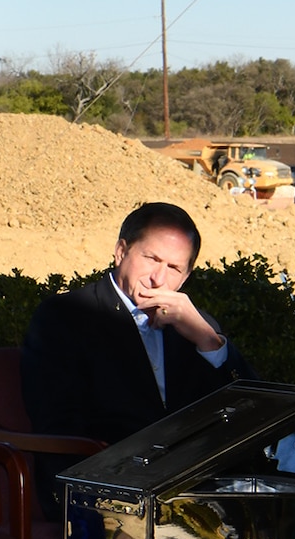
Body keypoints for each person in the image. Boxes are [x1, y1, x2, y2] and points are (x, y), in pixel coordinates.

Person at [19, 201, 246, 509]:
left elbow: (251, 413)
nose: (158, 278)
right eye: (152, 258)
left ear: (187, 275)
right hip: (98, 491)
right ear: (121, 252)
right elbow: (57, 423)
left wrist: (209, 340)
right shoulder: (66, 316)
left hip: (192, 493)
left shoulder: (195, 327)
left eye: (175, 268)